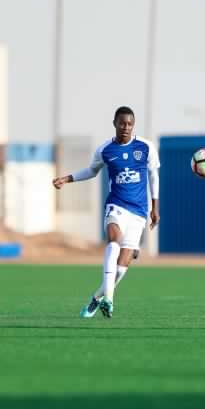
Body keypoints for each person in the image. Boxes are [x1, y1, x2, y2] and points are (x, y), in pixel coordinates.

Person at [52, 106, 160, 318]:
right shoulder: (105, 150)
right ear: (115, 123)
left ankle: (97, 298)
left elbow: (154, 176)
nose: (126, 127)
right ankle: (109, 299)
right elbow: (91, 171)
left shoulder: (146, 147)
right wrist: (67, 178)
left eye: (129, 124)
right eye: (122, 123)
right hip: (116, 206)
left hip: (138, 212)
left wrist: (155, 207)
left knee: (121, 268)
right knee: (113, 242)